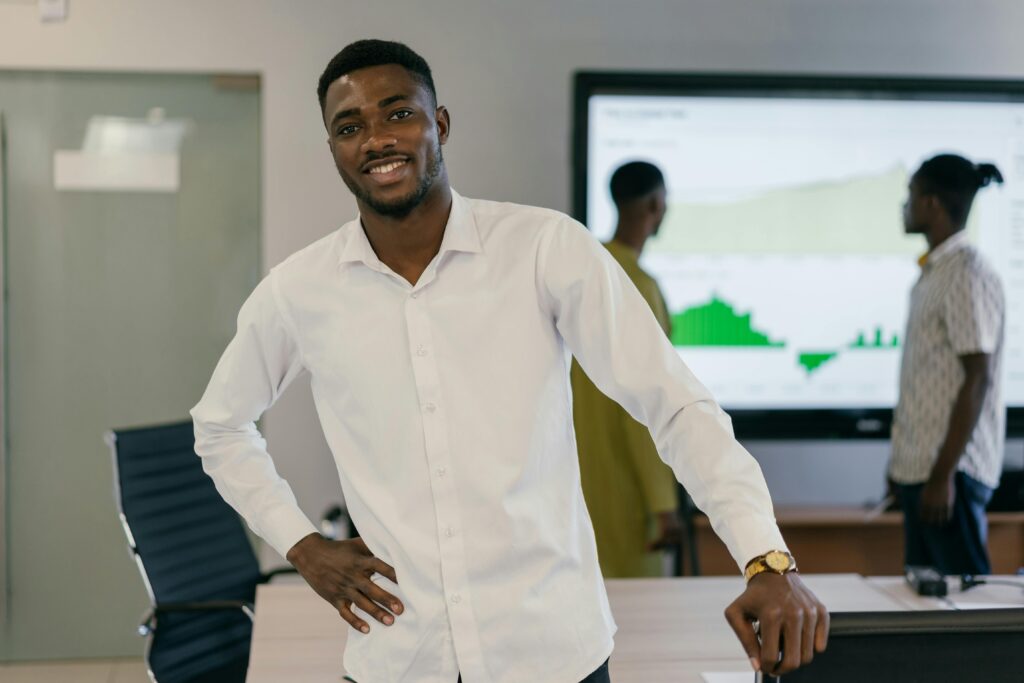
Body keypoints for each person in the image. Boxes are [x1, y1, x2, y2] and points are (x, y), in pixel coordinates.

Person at [191, 40, 827, 683]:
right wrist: (302, 546)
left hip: (552, 654)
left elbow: (675, 402)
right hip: (401, 659)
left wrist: (765, 558)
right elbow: (219, 426)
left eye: (398, 114)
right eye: (349, 127)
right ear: (333, 150)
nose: (376, 139)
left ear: (438, 124)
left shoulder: (544, 249)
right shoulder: (299, 290)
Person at [890, 153, 1006, 576]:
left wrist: (941, 477)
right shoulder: (933, 273)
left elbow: (978, 377)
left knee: (967, 609)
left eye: (911, 196)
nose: (905, 206)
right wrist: (903, 465)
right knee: (924, 606)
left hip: (950, 475)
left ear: (932, 204)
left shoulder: (966, 272)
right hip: (922, 471)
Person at [571, 161, 683, 578]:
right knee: (638, 617)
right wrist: (662, 502)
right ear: (657, 204)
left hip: (577, 478)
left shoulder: (585, 271)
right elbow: (646, 401)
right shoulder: (639, 284)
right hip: (627, 488)